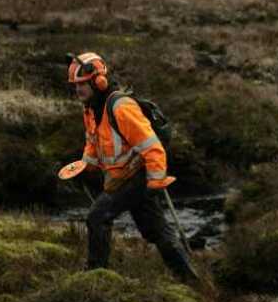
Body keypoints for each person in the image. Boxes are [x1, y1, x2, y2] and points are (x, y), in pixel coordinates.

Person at [66, 52, 199, 283]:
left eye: (83, 84)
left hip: (136, 176)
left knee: (98, 216)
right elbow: (93, 142)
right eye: (76, 85)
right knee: (157, 231)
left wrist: (156, 182)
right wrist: (85, 166)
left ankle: (96, 276)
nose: (78, 90)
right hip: (120, 176)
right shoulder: (90, 109)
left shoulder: (121, 107)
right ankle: (191, 281)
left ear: (99, 81)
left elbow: (153, 147)